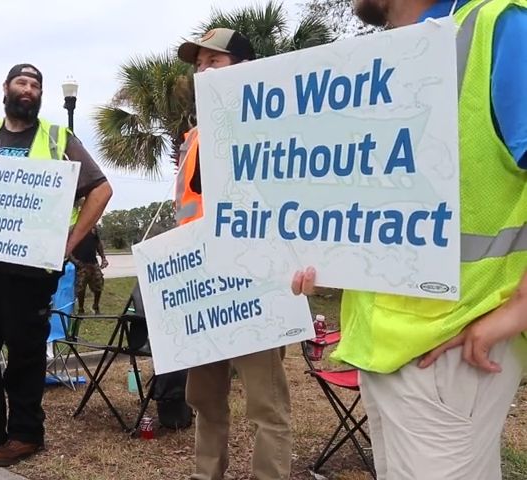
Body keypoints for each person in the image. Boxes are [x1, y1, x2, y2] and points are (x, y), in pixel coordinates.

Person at [291, 0, 527, 478]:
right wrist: (321, 259)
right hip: (384, 352)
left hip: (456, 348)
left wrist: (523, 305)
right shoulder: (385, 61)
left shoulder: (499, 27)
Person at [0, 63, 112, 467]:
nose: (28, 89)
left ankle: (26, 435)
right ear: (6, 89)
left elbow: (101, 190)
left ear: (40, 94)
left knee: (25, 356)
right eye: (21, 82)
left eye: (35, 84)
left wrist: (71, 241)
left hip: (30, 274)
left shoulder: (57, 138)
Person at [176, 28, 293, 480]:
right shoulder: (192, 137)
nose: (202, 70)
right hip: (203, 285)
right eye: (198, 63)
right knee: (205, 399)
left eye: (214, 61)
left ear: (245, 67)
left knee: (267, 405)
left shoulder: (271, 126)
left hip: (257, 282)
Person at [70, 224, 108, 315]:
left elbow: (98, 243)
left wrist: (103, 258)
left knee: (99, 284)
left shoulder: (94, 228)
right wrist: (75, 261)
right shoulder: (74, 229)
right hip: (80, 263)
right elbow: (68, 247)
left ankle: (95, 307)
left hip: (93, 262)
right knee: (81, 287)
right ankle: (80, 309)